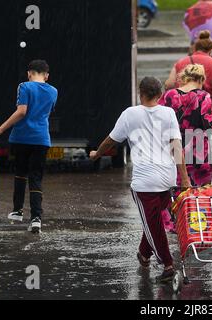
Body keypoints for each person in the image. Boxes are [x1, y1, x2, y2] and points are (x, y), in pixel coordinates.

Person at [89, 77, 191, 282]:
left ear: (140, 93)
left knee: (154, 225)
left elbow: (111, 140)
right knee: (152, 222)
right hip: (167, 179)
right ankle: (144, 254)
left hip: (145, 183)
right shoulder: (168, 113)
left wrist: (97, 154)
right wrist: (185, 178)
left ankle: (168, 265)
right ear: (161, 94)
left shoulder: (130, 114)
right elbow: (177, 147)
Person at [159, 64, 212, 233]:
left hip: (174, 149)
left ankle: (176, 227)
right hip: (198, 150)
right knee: (200, 193)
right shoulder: (203, 96)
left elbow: (159, 118)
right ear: (200, 80)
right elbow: (207, 123)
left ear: (184, 78)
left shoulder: (169, 95)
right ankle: (198, 229)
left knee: (177, 189)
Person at [0, 60, 58, 234]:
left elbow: (21, 111)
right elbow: (46, 112)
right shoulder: (53, 91)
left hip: (21, 138)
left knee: (20, 174)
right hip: (41, 139)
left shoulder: (24, 87)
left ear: (29, 73)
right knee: (36, 177)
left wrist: (0, 129)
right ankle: (36, 219)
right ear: (47, 76)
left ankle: (17, 211)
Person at [165, 30, 212, 105]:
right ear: (211, 50)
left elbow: (169, 85)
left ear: (195, 48)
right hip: (206, 108)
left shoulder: (180, 62)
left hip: (182, 106)